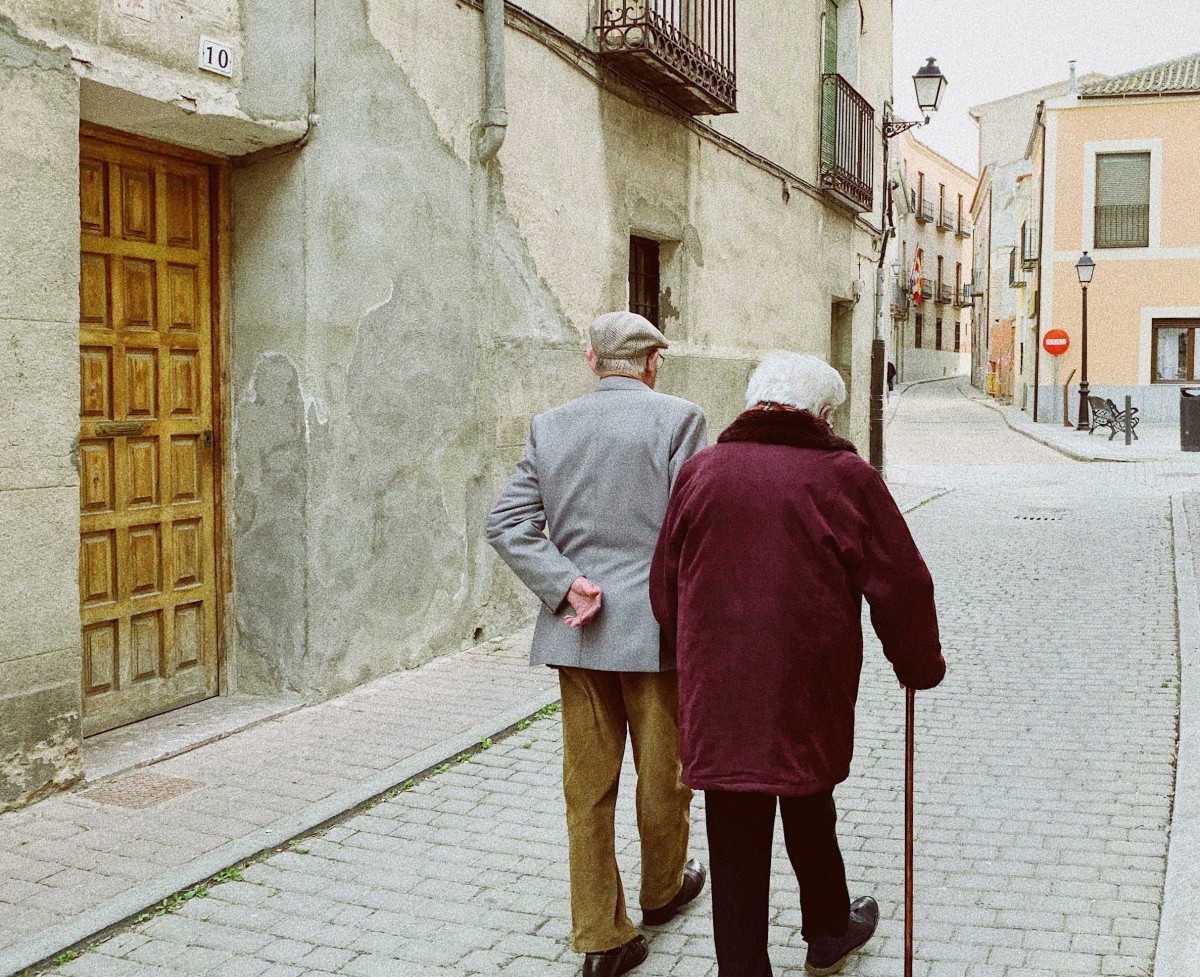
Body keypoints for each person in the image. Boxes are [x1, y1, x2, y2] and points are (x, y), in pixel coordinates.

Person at [649, 351, 945, 977]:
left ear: (755, 402)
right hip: (807, 685)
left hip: (721, 689)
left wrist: (696, 653)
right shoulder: (845, 476)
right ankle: (829, 932)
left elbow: (664, 584)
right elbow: (904, 583)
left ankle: (757, 961)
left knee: (733, 835)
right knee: (810, 801)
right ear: (824, 412)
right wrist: (917, 663)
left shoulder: (702, 472)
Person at [487, 311, 709, 977]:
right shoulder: (680, 418)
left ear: (590, 360)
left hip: (578, 633)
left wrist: (565, 584)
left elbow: (506, 523)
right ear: (653, 363)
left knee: (586, 786)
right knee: (664, 775)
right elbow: (692, 528)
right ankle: (662, 890)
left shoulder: (550, 424)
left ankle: (602, 936)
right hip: (655, 634)